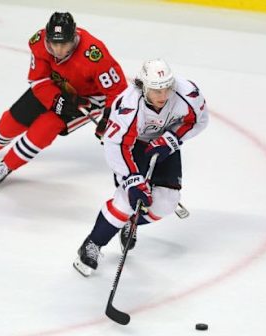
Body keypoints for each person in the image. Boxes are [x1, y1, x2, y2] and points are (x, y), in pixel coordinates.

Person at [73, 58, 209, 277]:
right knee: (127, 200)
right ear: (143, 86)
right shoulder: (128, 104)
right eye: (156, 90)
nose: (163, 96)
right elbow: (115, 144)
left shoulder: (187, 93)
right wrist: (132, 179)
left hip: (165, 141)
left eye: (166, 88)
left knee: (166, 202)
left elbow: (199, 120)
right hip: (132, 144)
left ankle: (132, 223)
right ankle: (92, 244)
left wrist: (172, 139)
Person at [0, 12, 127, 186]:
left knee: (46, 127)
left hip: (86, 99)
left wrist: (109, 119)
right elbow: (39, 79)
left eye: (64, 44)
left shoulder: (94, 55)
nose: (58, 50)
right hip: (54, 86)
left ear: (74, 38)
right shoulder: (39, 42)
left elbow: (118, 91)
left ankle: (7, 165)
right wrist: (56, 100)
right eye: (54, 44)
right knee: (17, 115)